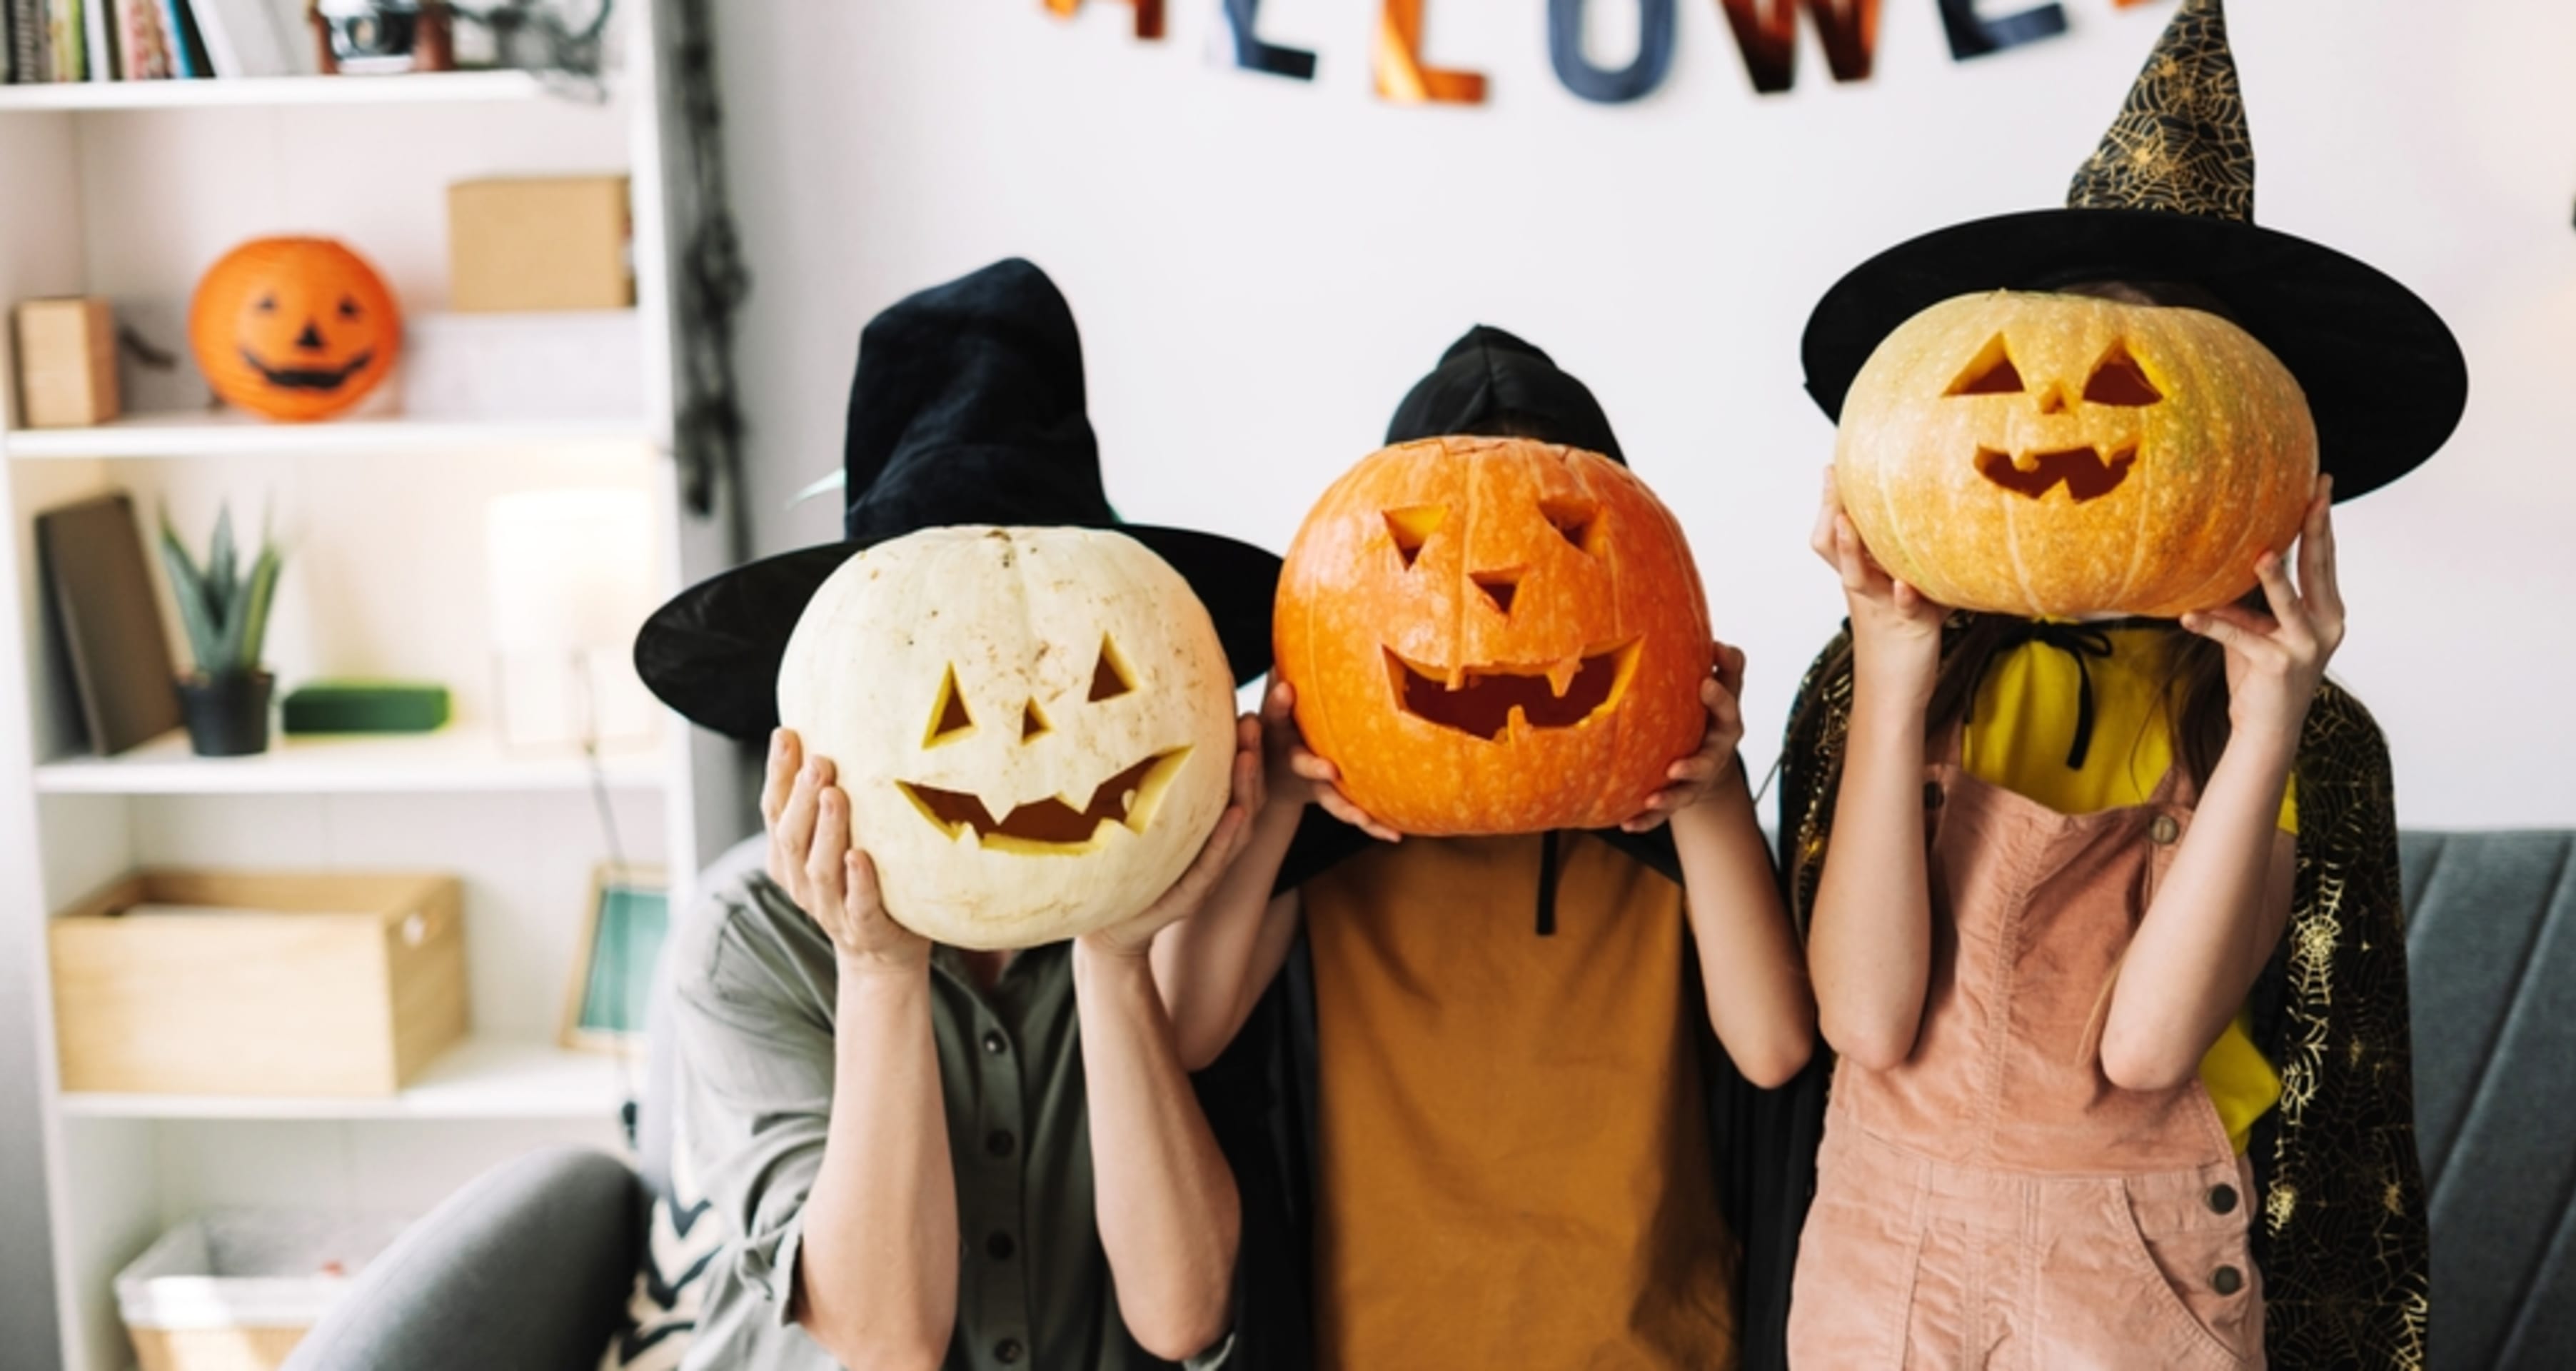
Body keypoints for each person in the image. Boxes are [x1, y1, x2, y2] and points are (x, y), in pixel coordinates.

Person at [1777, 2, 2464, 1367]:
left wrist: (2270, 719)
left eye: (2145, 388)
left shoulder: (2296, 732)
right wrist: (1894, 669)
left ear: (2256, 445)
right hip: (1881, 1258)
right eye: (2007, 378)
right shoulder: (1878, 682)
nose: (2058, 422)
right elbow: (1860, 1020)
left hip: (2137, 1271)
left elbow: (2146, 1053)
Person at [631, 258, 1287, 1371]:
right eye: (936, 693)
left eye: (1092, 681)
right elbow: (884, 1341)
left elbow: (1185, 1319)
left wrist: (1118, 955)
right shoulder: (746, 934)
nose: (1026, 745)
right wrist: (878, 969)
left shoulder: (1192, 896)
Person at [1157, 326, 1818, 1371]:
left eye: (1568, 536)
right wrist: (1279, 797)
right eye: (1422, 551)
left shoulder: (1660, 823)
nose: (1501, 597)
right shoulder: (1330, 841)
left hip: (1651, 1345)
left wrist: (1710, 781)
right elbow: (1185, 1032)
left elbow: (1775, 1047)